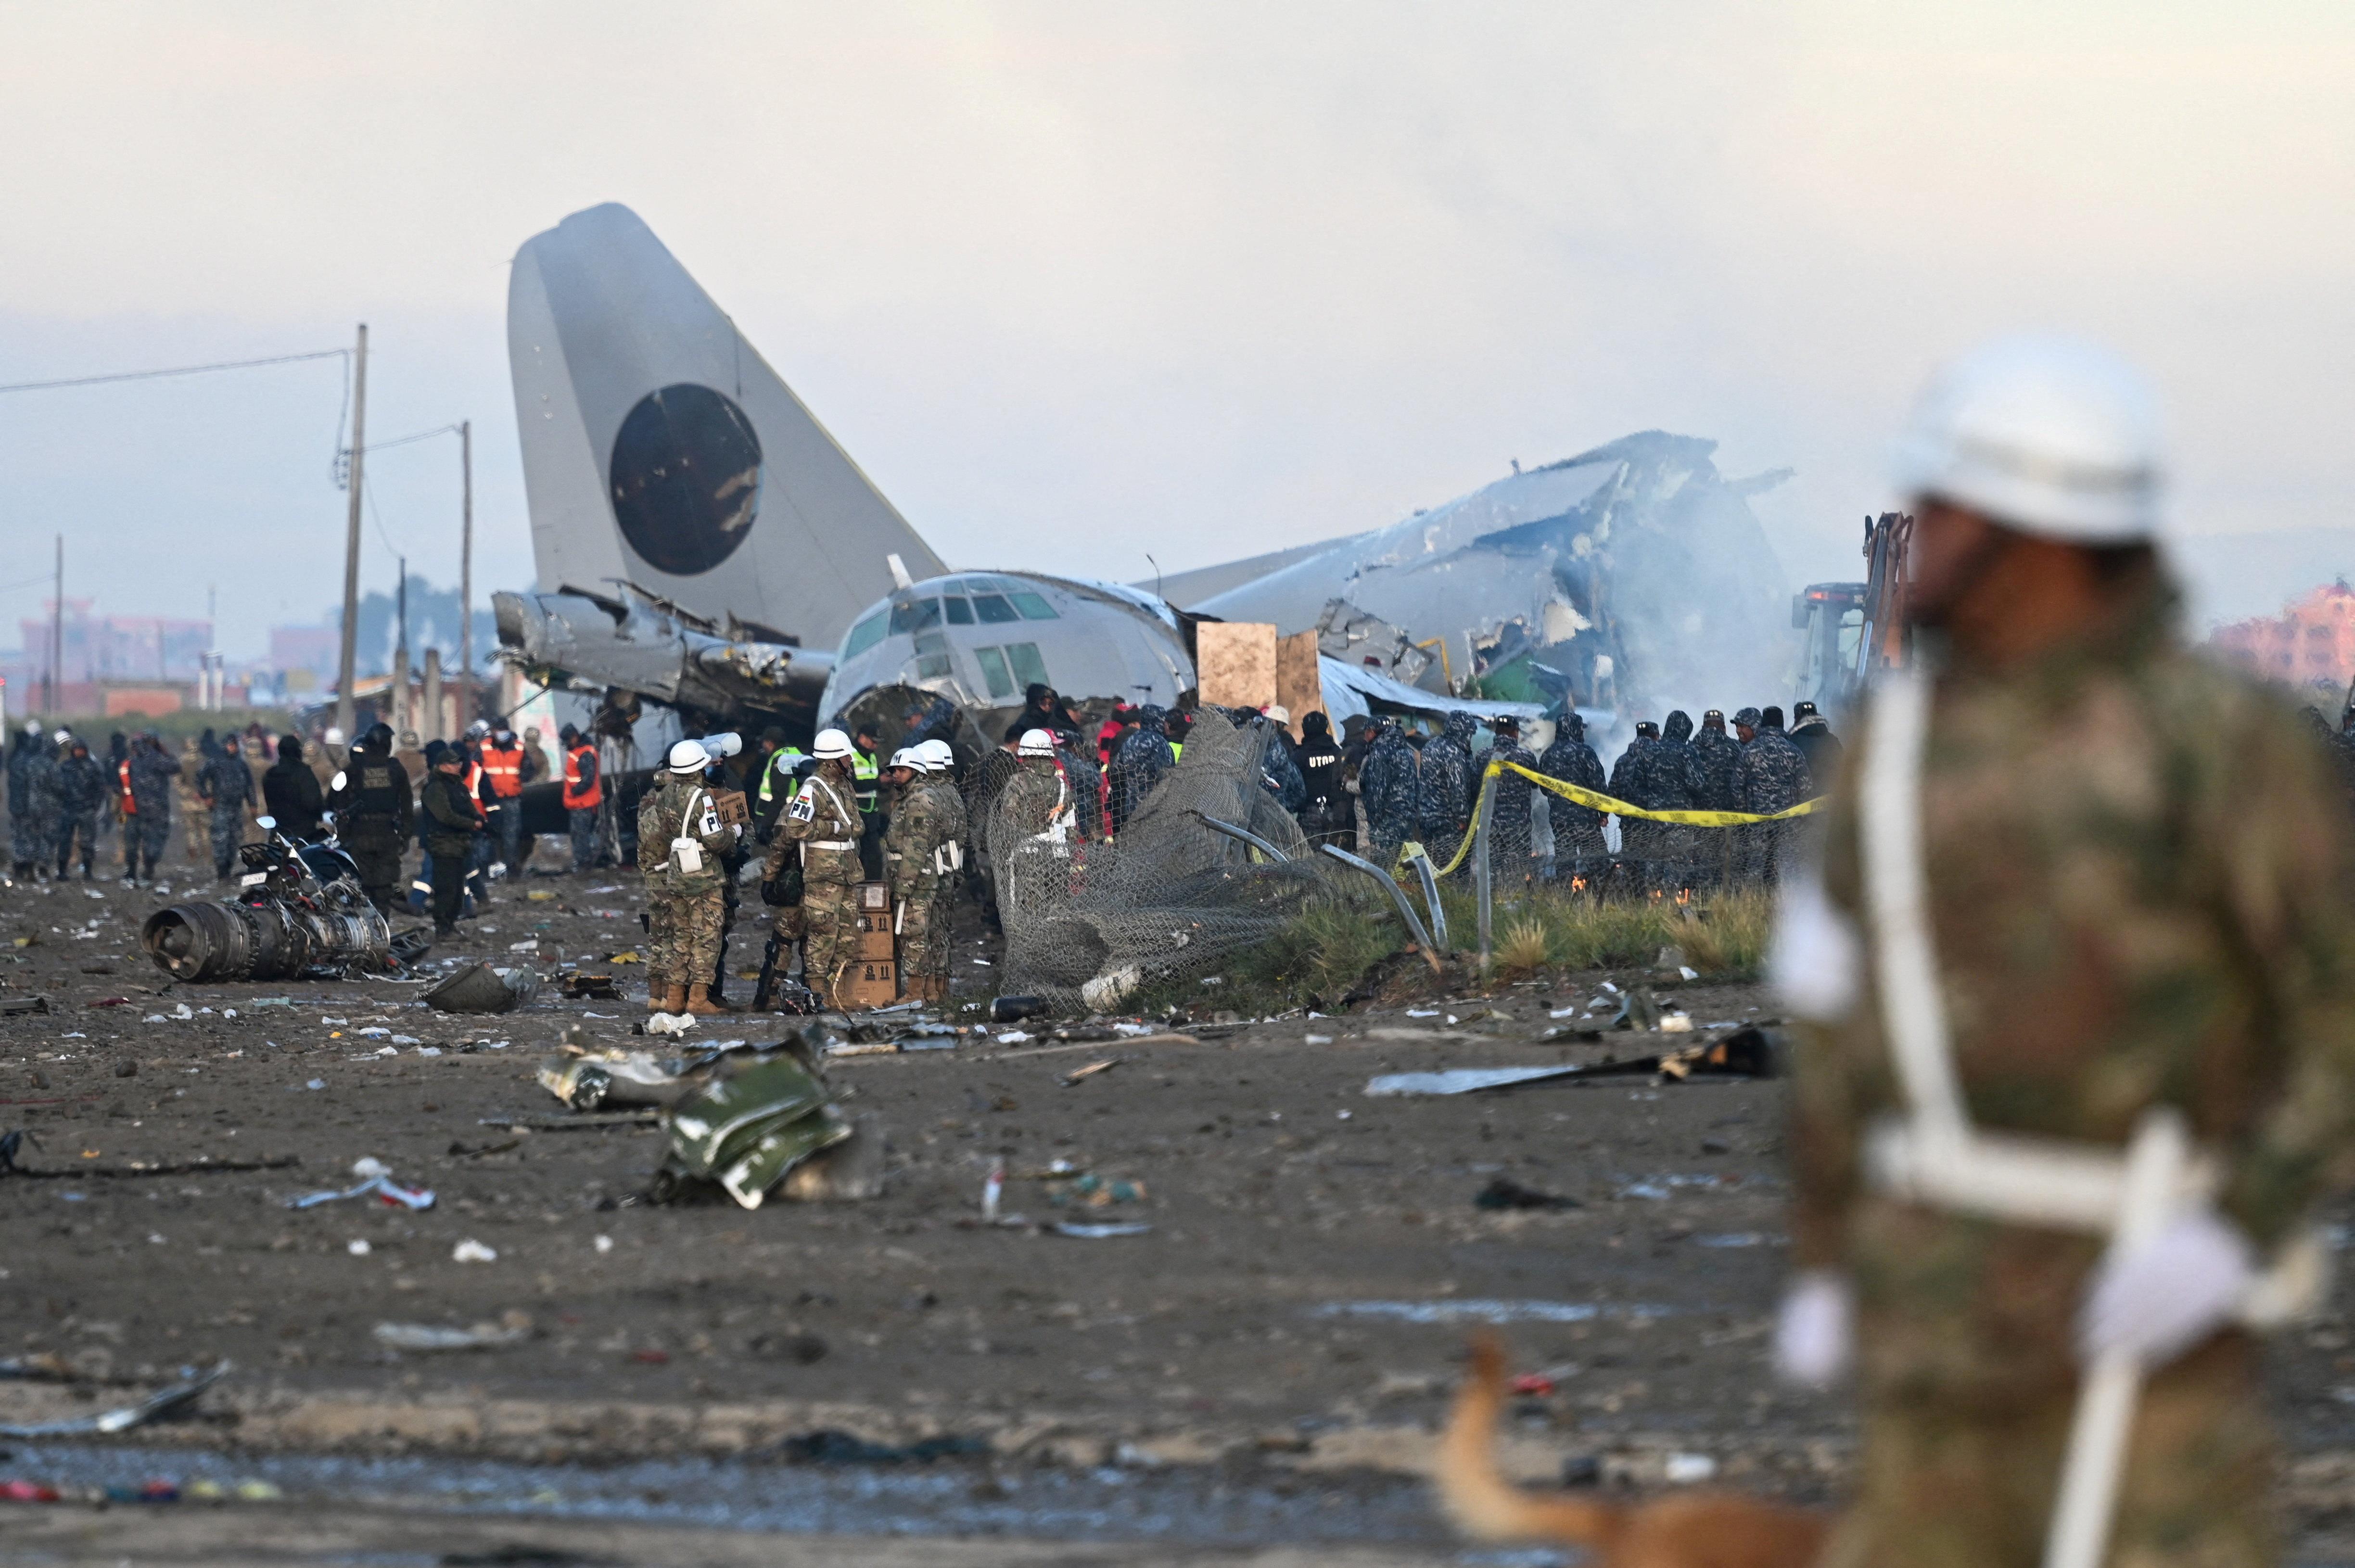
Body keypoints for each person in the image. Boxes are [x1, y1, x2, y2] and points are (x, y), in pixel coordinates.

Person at [1773, 334, 2355, 1568]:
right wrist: (1826, 1256)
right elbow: (1833, 1026)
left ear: (2033, 532)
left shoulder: (2222, 752)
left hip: (2146, 1316)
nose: (1914, 542)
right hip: (1936, 1338)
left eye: (1945, 508)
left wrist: (2235, 1226)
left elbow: (2335, 1018)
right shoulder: (1899, 753)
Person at [636, 739, 740, 1015]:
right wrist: (734, 836)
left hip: (676, 871)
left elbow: (669, 833)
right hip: (703, 874)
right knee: (707, 936)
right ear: (699, 767)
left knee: (680, 937)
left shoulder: (665, 794)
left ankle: (674, 998)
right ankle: (697, 999)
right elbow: (716, 839)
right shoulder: (702, 797)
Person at [766, 728, 866, 1007]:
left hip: (847, 872)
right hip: (823, 875)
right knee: (823, 934)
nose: (851, 761)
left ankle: (837, 991)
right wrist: (833, 827)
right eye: (847, 756)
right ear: (833, 759)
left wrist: (845, 829)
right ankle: (817, 991)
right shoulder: (812, 789)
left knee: (848, 936)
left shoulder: (844, 786)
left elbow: (857, 826)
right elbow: (796, 828)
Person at [882, 746, 967, 1003]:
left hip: (917, 877)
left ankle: (916, 992)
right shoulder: (916, 798)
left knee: (914, 934)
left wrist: (904, 885)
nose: (896, 775)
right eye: (894, 770)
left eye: (902, 770)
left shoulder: (920, 800)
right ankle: (930, 991)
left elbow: (916, 847)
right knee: (927, 933)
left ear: (918, 772)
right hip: (922, 874)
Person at [329, 724, 413, 913]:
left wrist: (343, 835)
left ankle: (368, 924)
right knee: (384, 886)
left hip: (360, 833)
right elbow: (407, 803)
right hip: (387, 833)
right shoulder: (396, 768)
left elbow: (338, 800)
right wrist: (406, 834)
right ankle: (382, 923)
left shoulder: (353, 768)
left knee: (363, 883)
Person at [1731, 704, 1812, 882]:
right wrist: (1798, 816)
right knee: (1787, 864)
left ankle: (1751, 902)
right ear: (1782, 726)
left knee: (1756, 864)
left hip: (1756, 820)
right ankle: (1787, 903)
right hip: (1788, 821)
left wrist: (1746, 814)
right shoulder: (1793, 751)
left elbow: (1737, 786)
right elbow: (1805, 787)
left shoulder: (1749, 751)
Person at [418, 743, 483, 939]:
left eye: (459, 762)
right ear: (442, 766)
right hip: (443, 845)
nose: (458, 766)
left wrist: (480, 820)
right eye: (453, 763)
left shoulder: (458, 786)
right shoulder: (435, 788)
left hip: (460, 845)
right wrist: (471, 824)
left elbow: (469, 808)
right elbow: (444, 816)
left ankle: (451, 924)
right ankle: (443, 928)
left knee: (456, 890)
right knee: (446, 889)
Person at [1537, 710, 1606, 882]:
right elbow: (1598, 785)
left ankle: (1563, 897)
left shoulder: (1547, 755)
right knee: (1599, 862)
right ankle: (1601, 898)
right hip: (1586, 819)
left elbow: (1544, 790)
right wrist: (1604, 814)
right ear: (1576, 729)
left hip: (1559, 819)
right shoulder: (1585, 752)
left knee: (1565, 862)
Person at [1359, 718, 1422, 869]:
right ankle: (1403, 890)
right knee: (1403, 863)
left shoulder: (1379, 753)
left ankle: (1385, 892)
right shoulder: (1405, 750)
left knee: (1383, 864)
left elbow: (1376, 789)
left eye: (1366, 732)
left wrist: (1374, 820)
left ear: (1372, 733)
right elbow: (1415, 783)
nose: (1364, 736)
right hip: (1406, 816)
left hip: (1386, 820)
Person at [1415, 712, 1477, 861]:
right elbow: (1457, 789)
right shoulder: (1454, 753)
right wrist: (1462, 818)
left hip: (1427, 816)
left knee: (1433, 864)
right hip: (1448, 820)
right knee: (1454, 866)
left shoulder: (1430, 746)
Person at [197, 733, 256, 881]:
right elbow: (200, 778)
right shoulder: (215, 762)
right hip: (220, 807)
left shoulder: (241, 764)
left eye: (235, 745)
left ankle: (228, 869)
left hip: (237, 807)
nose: (233, 747)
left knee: (234, 840)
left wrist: (253, 804)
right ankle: (221, 872)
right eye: (230, 745)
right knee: (220, 840)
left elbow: (249, 785)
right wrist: (207, 796)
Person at [1107, 705, 1175, 832]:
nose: (1167, 725)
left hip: (1132, 806)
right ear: (1158, 721)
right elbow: (1166, 775)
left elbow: (1117, 769)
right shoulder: (1160, 743)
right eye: (1164, 721)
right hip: (1155, 808)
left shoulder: (1130, 741)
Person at [1294, 711, 1351, 849]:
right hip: (1335, 809)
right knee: (1335, 850)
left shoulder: (1299, 755)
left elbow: (1294, 783)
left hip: (1309, 810)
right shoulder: (1337, 752)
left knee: (1311, 851)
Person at [126, 733, 178, 884]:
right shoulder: (156, 758)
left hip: (136, 808)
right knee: (155, 838)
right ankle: (148, 866)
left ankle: (134, 871)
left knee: (134, 840)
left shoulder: (132, 762)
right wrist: (165, 752)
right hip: (156, 808)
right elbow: (175, 767)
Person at [51, 738, 104, 882]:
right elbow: (57, 786)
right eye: (76, 749)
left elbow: (100, 788)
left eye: (81, 749)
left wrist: (95, 805)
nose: (78, 752)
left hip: (87, 810)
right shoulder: (65, 767)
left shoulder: (93, 767)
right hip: (68, 809)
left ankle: (88, 871)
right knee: (64, 842)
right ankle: (62, 871)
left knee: (87, 843)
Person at [477, 727, 527, 873]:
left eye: (503, 729)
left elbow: (528, 768)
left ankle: (511, 868)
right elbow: (475, 768)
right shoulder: (484, 747)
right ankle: (488, 867)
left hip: (512, 799)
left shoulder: (519, 747)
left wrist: (517, 781)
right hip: (491, 799)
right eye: (498, 729)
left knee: (512, 833)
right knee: (491, 833)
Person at [9, 720, 53, 881]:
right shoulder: (32, 762)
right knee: (32, 837)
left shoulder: (15, 760)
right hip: (29, 806)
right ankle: (28, 868)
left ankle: (19, 868)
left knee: (19, 836)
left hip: (17, 805)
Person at [558, 724, 604, 870]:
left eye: (567, 741)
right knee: (577, 834)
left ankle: (584, 864)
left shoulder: (585, 753)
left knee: (581, 835)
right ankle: (581, 861)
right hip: (578, 803)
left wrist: (575, 792)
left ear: (575, 737)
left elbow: (588, 779)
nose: (566, 745)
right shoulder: (578, 751)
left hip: (583, 803)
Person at [263, 735, 327, 842]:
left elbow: (269, 803)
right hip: (304, 833)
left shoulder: (270, 774)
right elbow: (312, 803)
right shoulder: (303, 773)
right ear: (298, 751)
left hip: (278, 832)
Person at [1688, 708, 1744, 812]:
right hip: (1728, 814)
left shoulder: (1690, 748)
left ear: (1703, 727)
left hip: (1697, 814)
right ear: (1724, 729)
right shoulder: (1736, 747)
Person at [1786, 700, 1844, 782]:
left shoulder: (1792, 742)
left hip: (1807, 794)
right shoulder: (1834, 741)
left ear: (1797, 718)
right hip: (1833, 793)